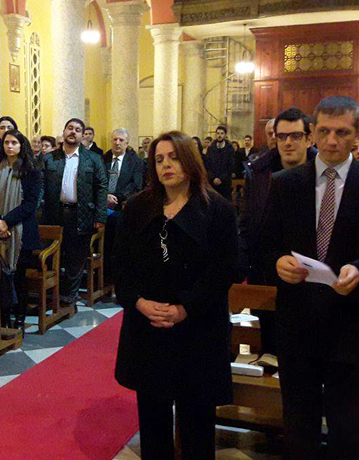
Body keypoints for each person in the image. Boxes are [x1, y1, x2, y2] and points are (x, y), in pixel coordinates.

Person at [259, 96, 359, 460]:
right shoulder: (285, 183)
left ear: (358, 133)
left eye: (342, 132)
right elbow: (264, 245)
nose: (332, 141)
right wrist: (278, 263)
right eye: (324, 131)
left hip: (352, 328)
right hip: (298, 327)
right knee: (298, 431)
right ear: (313, 132)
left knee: (346, 433)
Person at [114, 131, 237, 460]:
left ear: (190, 161)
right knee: (153, 420)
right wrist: (139, 302)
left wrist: (185, 308)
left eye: (173, 157)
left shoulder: (217, 209)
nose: (165, 165)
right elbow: (121, 266)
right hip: (149, 328)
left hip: (197, 328)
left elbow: (223, 271)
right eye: (159, 159)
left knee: (197, 422)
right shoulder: (138, 207)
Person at [240, 107, 315, 286]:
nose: (288, 142)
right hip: (265, 271)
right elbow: (248, 222)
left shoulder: (324, 175)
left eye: (295, 136)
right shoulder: (258, 173)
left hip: (311, 275)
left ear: (309, 139)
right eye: (282, 136)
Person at [41, 118, 108, 305]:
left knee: (75, 256)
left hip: (81, 214)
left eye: (77, 130)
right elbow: (41, 184)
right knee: (54, 253)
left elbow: (101, 187)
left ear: (82, 135)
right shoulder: (49, 158)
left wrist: (100, 216)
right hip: (54, 213)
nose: (73, 132)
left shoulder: (93, 159)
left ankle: (70, 295)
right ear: (64, 132)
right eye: (70, 128)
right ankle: (54, 293)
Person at [0, 130, 42, 328]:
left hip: (21, 231)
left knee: (18, 277)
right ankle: (2, 316)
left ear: (21, 145)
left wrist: (7, 221)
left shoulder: (31, 170)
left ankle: (19, 316)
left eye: (14, 142)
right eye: (7, 142)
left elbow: (30, 204)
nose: (9, 146)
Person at [103, 128, 143, 285]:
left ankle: (118, 277)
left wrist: (118, 197)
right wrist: (105, 195)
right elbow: (98, 180)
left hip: (123, 206)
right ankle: (104, 276)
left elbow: (136, 184)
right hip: (103, 204)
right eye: (115, 139)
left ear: (127, 143)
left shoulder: (135, 161)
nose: (117, 143)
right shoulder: (103, 159)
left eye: (121, 140)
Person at [204, 125, 235, 200]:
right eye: (218, 133)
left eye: (222, 133)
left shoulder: (230, 148)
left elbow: (230, 165)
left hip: (225, 182)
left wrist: (221, 178)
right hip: (212, 181)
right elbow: (207, 165)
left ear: (225, 135)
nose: (219, 135)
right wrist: (213, 178)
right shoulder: (211, 148)